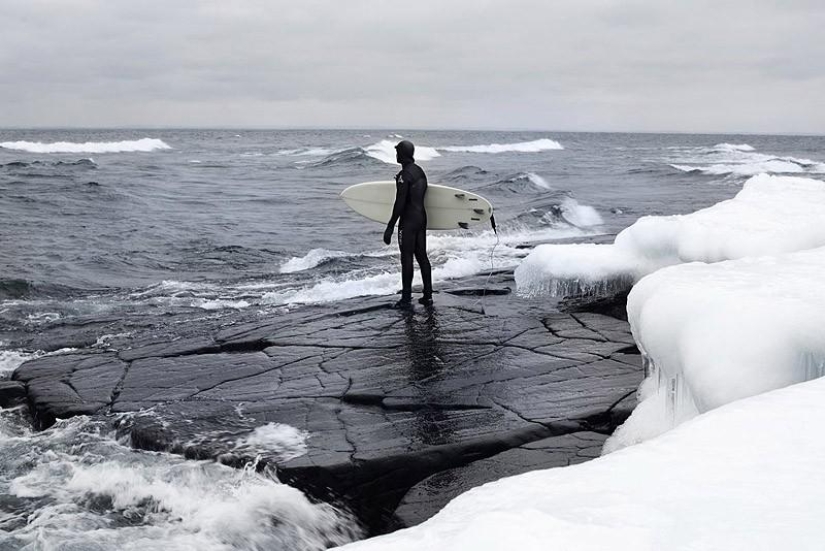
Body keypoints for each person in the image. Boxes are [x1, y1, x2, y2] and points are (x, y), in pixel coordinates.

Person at [383, 140, 433, 307]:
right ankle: (428, 295)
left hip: (408, 222)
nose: (396, 155)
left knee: (406, 259)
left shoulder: (404, 175)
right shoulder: (419, 171)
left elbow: (400, 202)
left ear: (403, 154)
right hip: (421, 218)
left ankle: (405, 299)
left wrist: (390, 226)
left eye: (398, 152)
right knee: (422, 257)